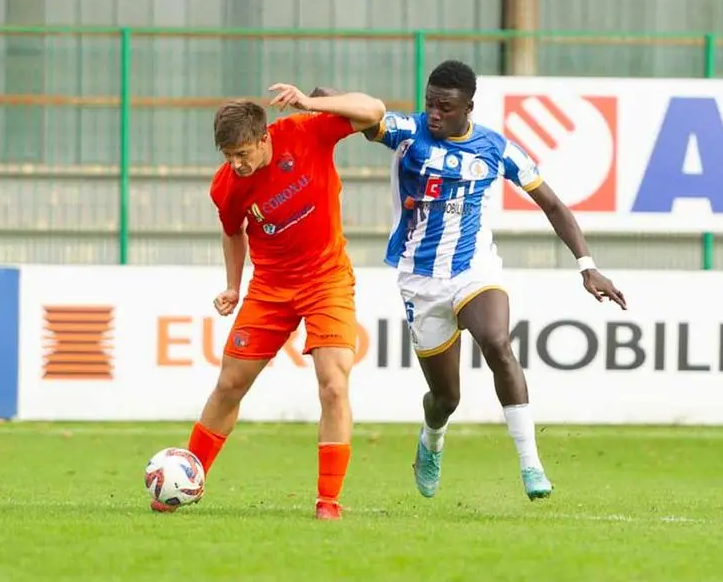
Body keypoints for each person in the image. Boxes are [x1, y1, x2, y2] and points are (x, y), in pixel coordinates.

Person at [310, 60, 626, 502]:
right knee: (445, 397)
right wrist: (315, 98)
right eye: (429, 104)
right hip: (421, 280)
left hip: (474, 268)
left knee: (497, 341)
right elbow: (364, 117)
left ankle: (531, 464)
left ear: (468, 108)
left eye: (445, 107)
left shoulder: (496, 149)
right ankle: (432, 439)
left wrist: (587, 265)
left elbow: (553, 205)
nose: (434, 114)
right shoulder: (408, 132)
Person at [152, 85, 385, 520]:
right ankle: (186, 480)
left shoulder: (306, 131)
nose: (236, 165)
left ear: (264, 138)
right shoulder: (226, 186)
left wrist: (311, 103)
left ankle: (328, 500)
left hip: (326, 278)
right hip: (271, 287)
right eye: (228, 157)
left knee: (333, 383)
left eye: (243, 154)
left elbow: (375, 110)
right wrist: (233, 285)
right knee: (229, 386)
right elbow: (232, 229)